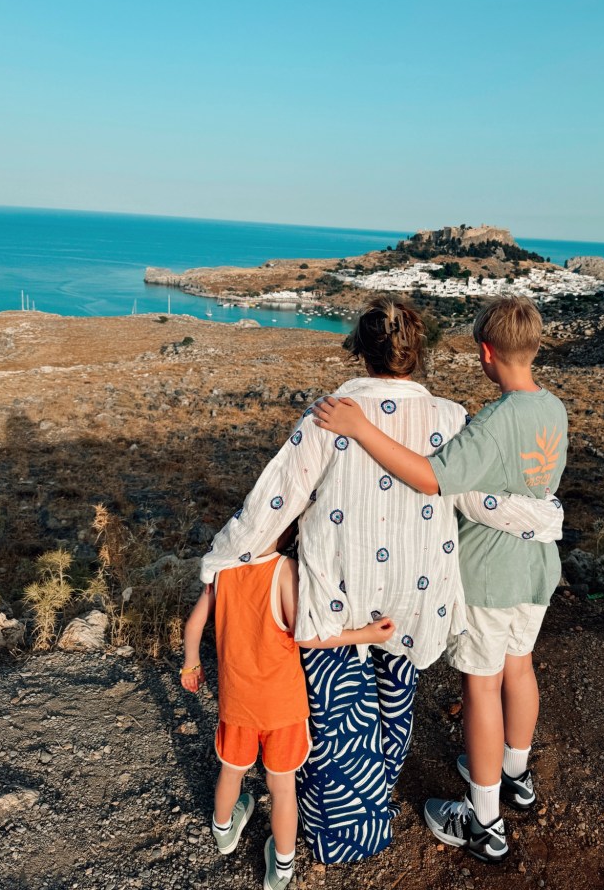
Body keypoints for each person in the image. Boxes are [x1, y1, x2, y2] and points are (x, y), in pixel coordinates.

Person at [198, 296, 563, 864]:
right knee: (395, 711)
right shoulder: (451, 417)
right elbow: (465, 495)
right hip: (417, 598)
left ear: (361, 351)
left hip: (341, 594)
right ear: (417, 354)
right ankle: (386, 798)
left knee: (338, 725)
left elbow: (277, 497)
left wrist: (223, 560)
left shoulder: (331, 414)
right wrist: (539, 516)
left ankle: (340, 835)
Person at [312, 295, 568, 865]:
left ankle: (483, 821)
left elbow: (430, 478)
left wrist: (357, 426)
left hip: (490, 575)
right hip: (536, 568)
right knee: (520, 669)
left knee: (482, 687)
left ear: (485, 352)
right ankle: (515, 775)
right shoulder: (553, 408)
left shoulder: (497, 421)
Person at [181, 522, 395, 890]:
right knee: (282, 788)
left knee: (231, 772)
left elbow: (196, 620)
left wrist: (191, 662)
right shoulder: (283, 570)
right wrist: (366, 635)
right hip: (283, 709)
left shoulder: (225, 567)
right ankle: (280, 869)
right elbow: (308, 635)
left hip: (237, 704)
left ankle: (223, 832)